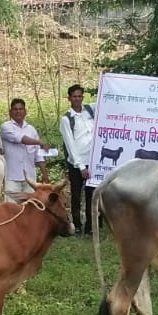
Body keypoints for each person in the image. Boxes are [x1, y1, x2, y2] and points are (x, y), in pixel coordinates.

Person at [59, 84, 97, 235]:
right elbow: (70, 144)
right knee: (76, 194)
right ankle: (77, 224)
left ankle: (90, 227)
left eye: (80, 96)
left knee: (91, 195)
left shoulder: (90, 110)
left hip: (92, 160)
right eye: (74, 96)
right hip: (77, 163)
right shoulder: (66, 119)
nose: (77, 99)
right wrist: (81, 166)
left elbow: (104, 99)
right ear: (69, 98)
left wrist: (106, 78)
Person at [0, 98, 50, 194]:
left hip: (30, 178)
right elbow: (21, 139)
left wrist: (44, 174)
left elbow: (38, 155)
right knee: (12, 208)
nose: (18, 111)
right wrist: (40, 142)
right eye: (15, 109)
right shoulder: (6, 127)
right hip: (12, 177)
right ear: (10, 112)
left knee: (30, 207)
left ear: (25, 111)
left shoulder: (31, 129)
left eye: (21, 109)